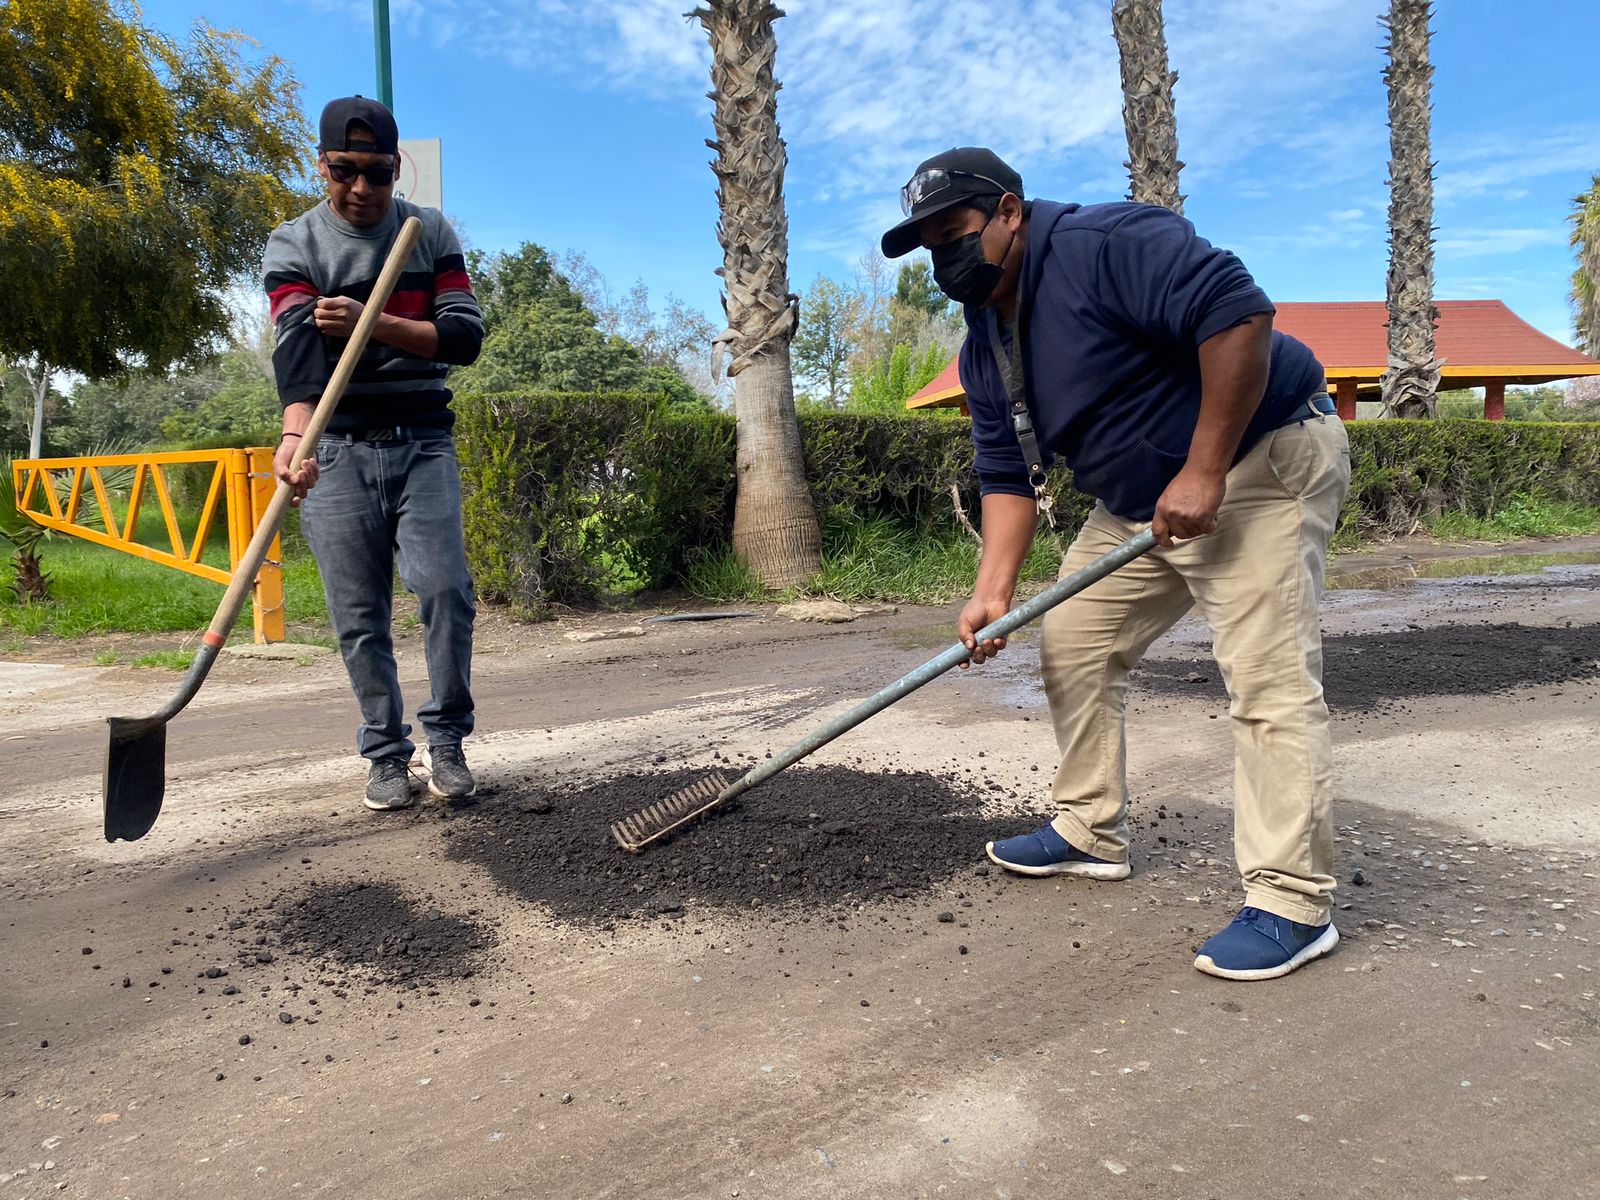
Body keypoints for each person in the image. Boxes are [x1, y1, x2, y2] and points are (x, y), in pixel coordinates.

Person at [881, 148, 1351, 981]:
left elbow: (1238, 313)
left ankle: (1291, 901)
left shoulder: (1104, 242)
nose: (943, 258)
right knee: (1075, 639)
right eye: (928, 246)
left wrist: (1204, 470)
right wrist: (992, 595)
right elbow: (1004, 475)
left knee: (1265, 677)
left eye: (954, 232)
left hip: (1258, 461)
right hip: (1136, 501)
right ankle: (1088, 830)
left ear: (1010, 213)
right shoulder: (985, 343)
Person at [263, 96, 485, 811]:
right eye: (346, 171)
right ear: (321, 165)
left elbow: (462, 340)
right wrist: (296, 439)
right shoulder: (293, 245)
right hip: (336, 448)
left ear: (396, 169)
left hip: (424, 440)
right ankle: (388, 756)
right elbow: (298, 361)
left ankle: (447, 740)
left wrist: (373, 322)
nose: (362, 189)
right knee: (359, 617)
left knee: (446, 589)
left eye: (378, 174)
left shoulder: (429, 231)